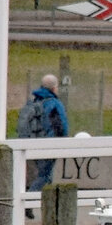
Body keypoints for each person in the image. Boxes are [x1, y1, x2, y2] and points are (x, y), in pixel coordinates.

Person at [26, 74, 70, 205]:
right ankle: (29, 200)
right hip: (50, 143)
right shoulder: (55, 104)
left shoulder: (35, 102)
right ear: (53, 88)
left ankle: (47, 205)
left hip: (34, 142)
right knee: (44, 176)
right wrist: (64, 140)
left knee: (46, 175)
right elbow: (61, 125)